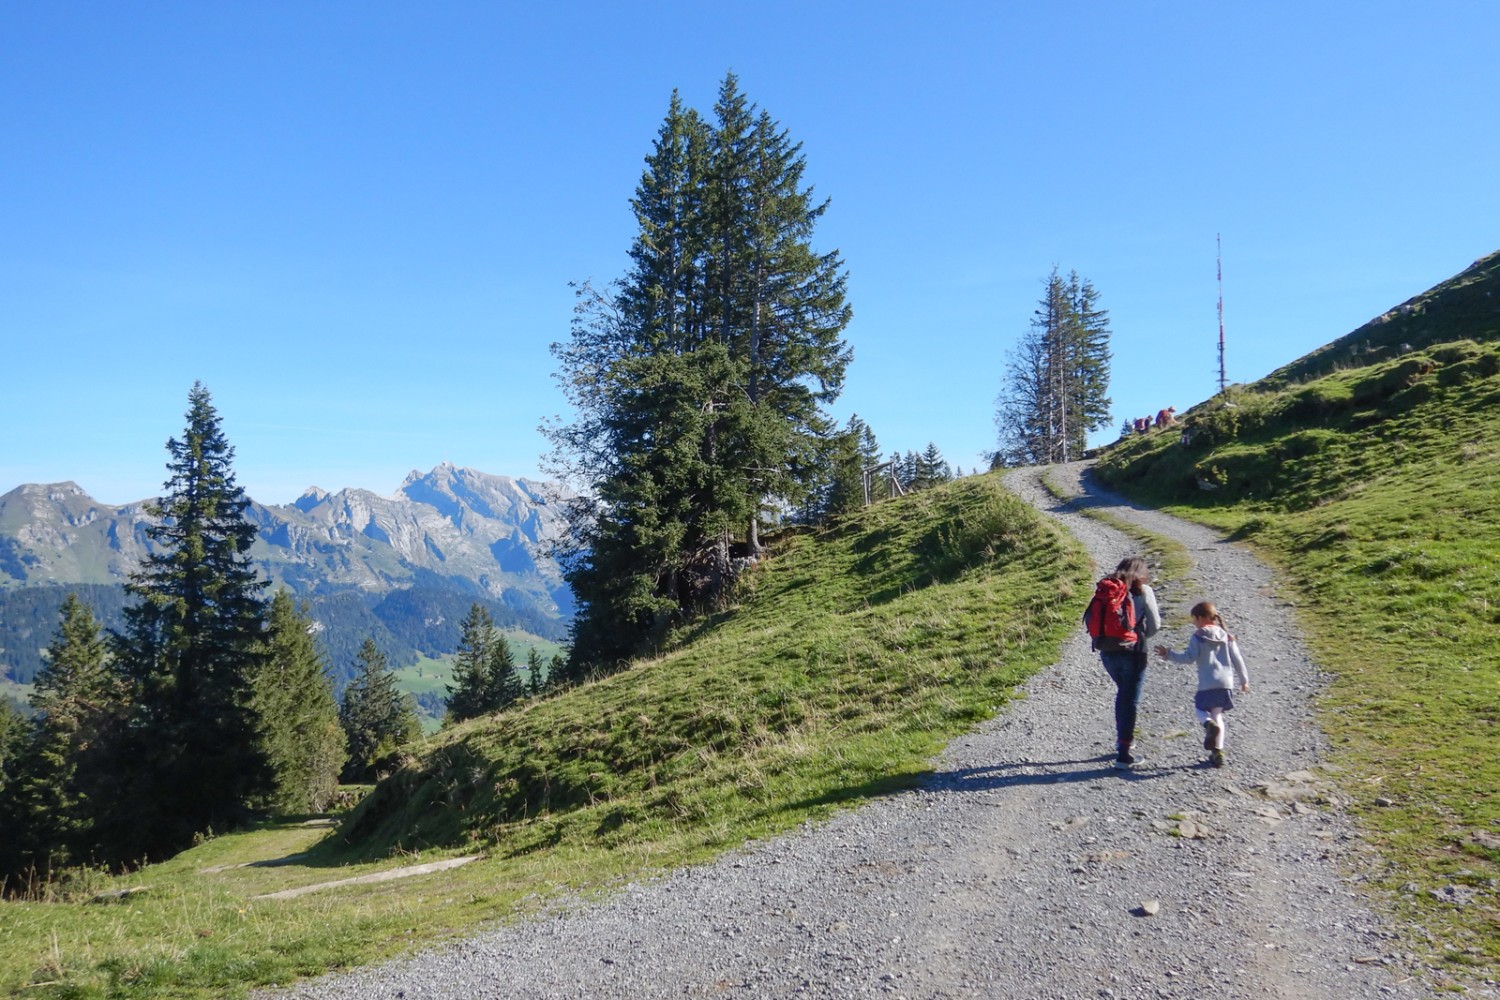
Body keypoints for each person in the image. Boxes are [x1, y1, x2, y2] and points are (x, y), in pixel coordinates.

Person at [1153, 601, 1251, 768]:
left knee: (1200, 709)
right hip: (1225, 683)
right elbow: (1237, 659)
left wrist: (1168, 654)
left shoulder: (1198, 637)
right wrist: (1244, 681)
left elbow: (1188, 658)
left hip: (1207, 682)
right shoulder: (1227, 635)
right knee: (1218, 715)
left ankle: (1208, 724)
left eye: (1194, 619)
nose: (1193, 623)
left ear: (1200, 618)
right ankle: (1218, 752)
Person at [1090, 556, 1160, 768]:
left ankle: (1122, 739)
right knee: (1129, 700)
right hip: (1134, 652)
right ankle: (1123, 754)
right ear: (1141, 572)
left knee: (1123, 694)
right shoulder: (1143, 591)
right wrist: (1139, 636)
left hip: (1107, 651)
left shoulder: (1107, 588)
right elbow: (1155, 625)